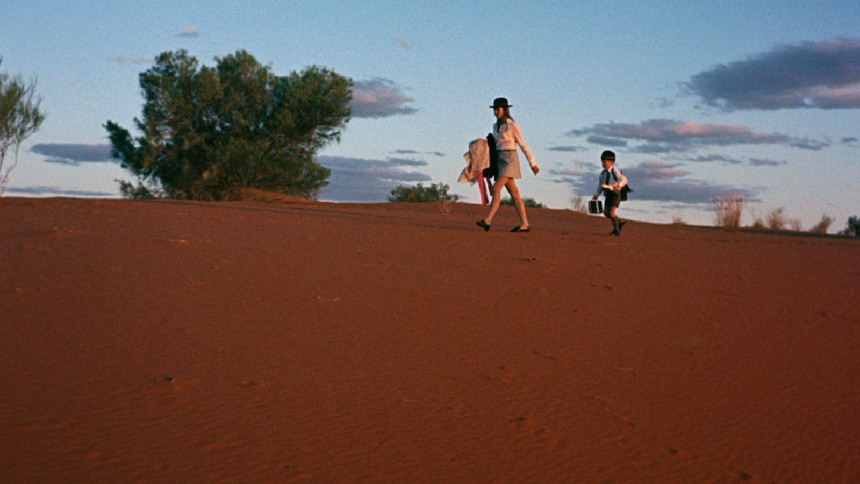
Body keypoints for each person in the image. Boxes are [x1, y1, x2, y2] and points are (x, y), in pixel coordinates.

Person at [476, 97, 539, 232]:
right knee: (514, 193)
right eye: (494, 109)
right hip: (499, 159)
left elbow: (523, 144)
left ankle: (488, 220)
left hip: (510, 159)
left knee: (497, 187)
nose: (495, 112)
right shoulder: (495, 126)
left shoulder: (512, 125)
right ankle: (525, 224)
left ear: (505, 110)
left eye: (498, 109)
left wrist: (532, 163)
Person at [592, 150, 628, 236]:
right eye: (602, 162)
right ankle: (619, 221)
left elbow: (624, 179)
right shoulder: (603, 174)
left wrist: (619, 185)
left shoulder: (615, 171)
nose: (603, 164)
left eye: (604, 162)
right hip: (608, 194)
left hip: (615, 194)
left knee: (611, 212)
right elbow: (601, 185)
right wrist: (597, 194)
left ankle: (617, 231)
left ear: (611, 162)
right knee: (606, 213)